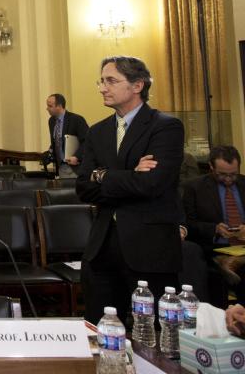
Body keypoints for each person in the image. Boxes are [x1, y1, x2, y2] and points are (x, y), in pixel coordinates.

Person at [76, 55, 184, 324]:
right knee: (100, 334)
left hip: (149, 249)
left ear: (137, 85)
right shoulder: (97, 132)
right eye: (101, 81)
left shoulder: (165, 126)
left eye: (111, 80)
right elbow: (83, 187)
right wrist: (128, 175)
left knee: (151, 340)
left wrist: (103, 176)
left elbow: (152, 184)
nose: (102, 87)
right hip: (102, 249)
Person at [183, 146, 245, 298]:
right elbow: (188, 224)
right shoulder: (195, 188)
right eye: (223, 174)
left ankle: (234, 262)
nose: (229, 179)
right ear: (211, 167)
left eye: (233, 174)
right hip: (215, 247)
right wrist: (214, 229)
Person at [46, 93, 89, 177]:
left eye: (50, 106)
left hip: (77, 168)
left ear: (59, 106)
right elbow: (57, 141)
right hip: (61, 168)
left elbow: (87, 141)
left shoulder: (76, 120)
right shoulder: (51, 121)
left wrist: (77, 156)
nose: (47, 108)